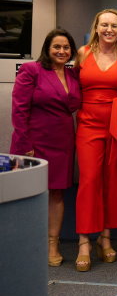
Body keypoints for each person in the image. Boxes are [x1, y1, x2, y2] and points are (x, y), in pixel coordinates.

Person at [74, 9, 117, 272]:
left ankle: (105, 237)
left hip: (116, 124)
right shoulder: (82, 53)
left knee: (113, 180)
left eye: (114, 25)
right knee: (89, 180)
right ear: (97, 27)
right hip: (88, 123)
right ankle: (83, 241)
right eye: (104, 25)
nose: (109, 29)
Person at [10, 29, 81, 267]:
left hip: (63, 142)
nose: (61, 51)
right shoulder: (32, 70)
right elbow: (19, 109)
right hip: (33, 142)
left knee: (57, 193)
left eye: (66, 47)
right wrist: (24, 145)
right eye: (56, 47)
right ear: (47, 48)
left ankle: (53, 244)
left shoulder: (73, 75)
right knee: (29, 195)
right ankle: (24, 244)